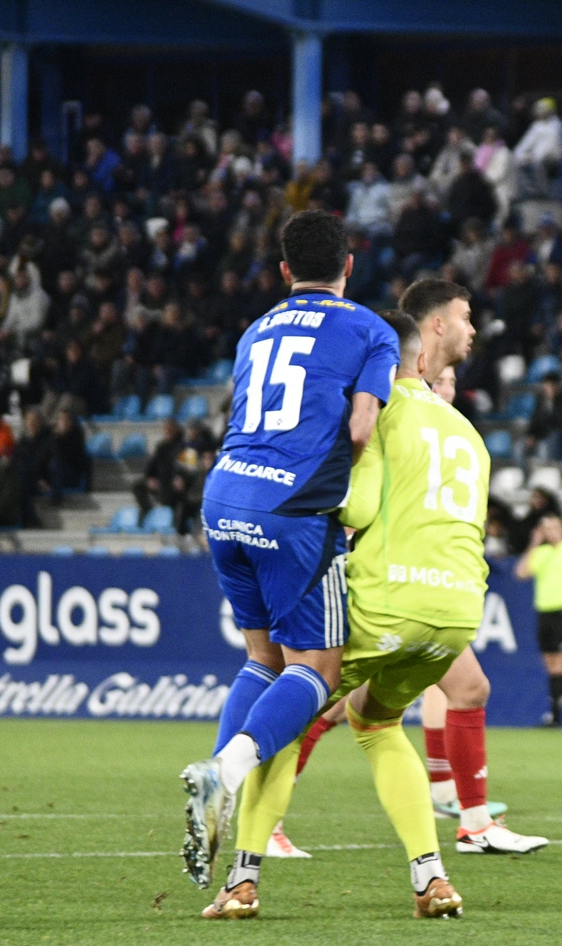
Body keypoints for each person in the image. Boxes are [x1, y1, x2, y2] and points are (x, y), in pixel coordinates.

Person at [272, 280, 545, 860]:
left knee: (466, 688)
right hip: (375, 579)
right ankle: (258, 809)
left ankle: (472, 823)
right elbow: (354, 483)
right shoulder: (384, 395)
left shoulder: (436, 416)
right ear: (433, 331)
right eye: (466, 317)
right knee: (322, 699)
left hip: (422, 587)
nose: (474, 330)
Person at [179, 211, 400, 897]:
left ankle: (218, 788)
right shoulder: (371, 330)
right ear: (350, 264)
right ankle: (228, 770)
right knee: (319, 669)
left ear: (283, 271)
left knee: (260, 657)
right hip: (294, 509)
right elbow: (362, 426)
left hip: (223, 496)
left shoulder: (256, 329)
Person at [515, 511, 562, 727]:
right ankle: (557, 715)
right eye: (547, 529)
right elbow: (521, 573)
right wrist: (533, 543)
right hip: (545, 612)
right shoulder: (540, 553)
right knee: (550, 664)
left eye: (555, 527)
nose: (552, 532)